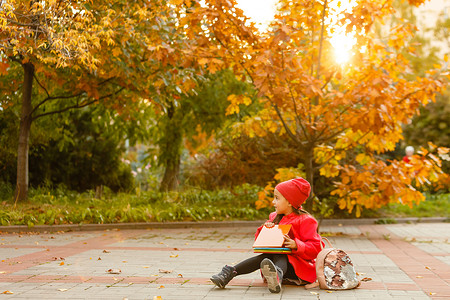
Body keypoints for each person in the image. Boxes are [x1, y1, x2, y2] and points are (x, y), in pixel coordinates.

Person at [210, 178, 322, 293]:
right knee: (267, 256)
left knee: (281, 254)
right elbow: (261, 244)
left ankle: (276, 275)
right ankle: (230, 272)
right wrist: (265, 230)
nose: (273, 202)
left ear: (289, 202)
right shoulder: (275, 216)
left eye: (277, 198)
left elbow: (316, 248)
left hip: (299, 269)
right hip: (277, 264)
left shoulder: (306, 220)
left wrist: (296, 245)